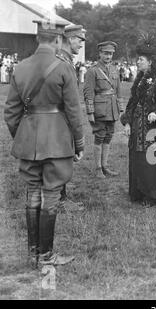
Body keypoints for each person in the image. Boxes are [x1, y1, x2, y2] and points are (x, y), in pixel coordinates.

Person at [4, 19, 84, 267]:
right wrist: (78, 143)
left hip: (29, 140)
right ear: (58, 39)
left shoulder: (20, 68)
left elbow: (11, 113)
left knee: (32, 194)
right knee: (50, 195)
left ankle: (33, 254)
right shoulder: (63, 68)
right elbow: (73, 111)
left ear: (38, 38)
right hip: (57, 142)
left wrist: (24, 135)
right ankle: (46, 256)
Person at [120, 35, 156, 207]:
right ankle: (139, 192)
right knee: (138, 159)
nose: (138, 62)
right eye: (138, 59)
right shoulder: (139, 81)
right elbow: (132, 103)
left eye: (141, 60)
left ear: (150, 63)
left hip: (151, 128)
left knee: (151, 160)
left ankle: (154, 194)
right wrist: (127, 122)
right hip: (137, 128)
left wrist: (155, 113)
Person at [83, 41, 123, 178]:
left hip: (112, 109)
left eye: (110, 54)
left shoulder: (114, 70)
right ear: (100, 53)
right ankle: (98, 168)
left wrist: (120, 109)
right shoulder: (92, 71)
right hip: (100, 109)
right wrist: (90, 112)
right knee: (99, 137)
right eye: (105, 53)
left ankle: (105, 166)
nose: (108, 56)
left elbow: (118, 91)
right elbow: (88, 93)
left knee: (108, 137)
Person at [57, 24, 86, 207]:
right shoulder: (64, 64)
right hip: (61, 122)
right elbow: (73, 107)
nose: (81, 44)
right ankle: (60, 200)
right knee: (60, 160)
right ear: (70, 39)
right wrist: (79, 141)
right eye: (80, 40)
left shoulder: (58, 60)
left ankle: (59, 197)